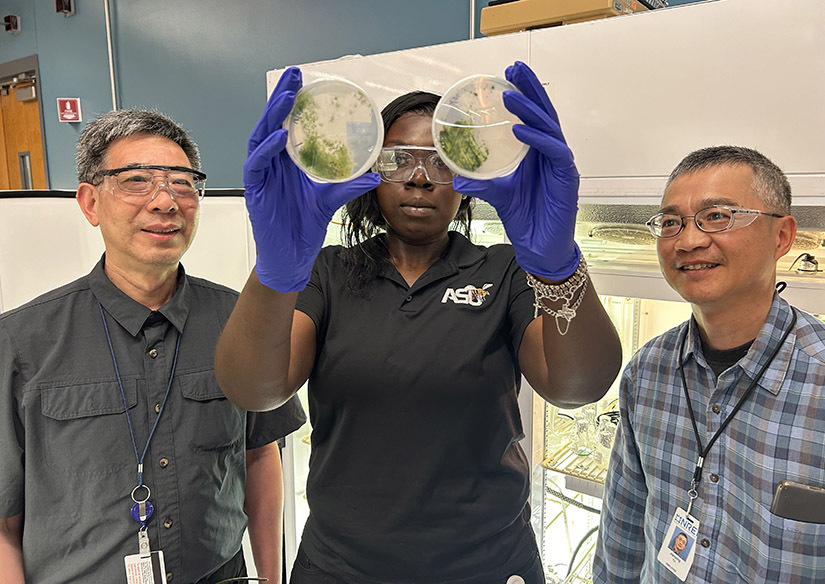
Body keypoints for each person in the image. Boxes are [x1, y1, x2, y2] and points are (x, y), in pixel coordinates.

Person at [215, 61, 622, 584]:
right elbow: (254, 389)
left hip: (486, 564)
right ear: (371, 169)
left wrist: (559, 267)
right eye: (399, 158)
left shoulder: (503, 270)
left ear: (467, 178)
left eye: (441, 161)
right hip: (342, 567)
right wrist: (274, 275)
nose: (420, 177)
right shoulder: (328, 273)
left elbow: (577, 387)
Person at [0, 109, 306, 584]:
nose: (165, 202)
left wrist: (270, 576)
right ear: (90, 203)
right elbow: (4, 518)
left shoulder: (240, 319)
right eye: (137, 180)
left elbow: (260, 454)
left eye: (183, 183)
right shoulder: (21, 341)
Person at [593, 146, 825, 582]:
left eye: (717, 216)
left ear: (782, 236)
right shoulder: (648, 372)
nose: (688, 240)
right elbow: (621, 530)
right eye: (670, 222)